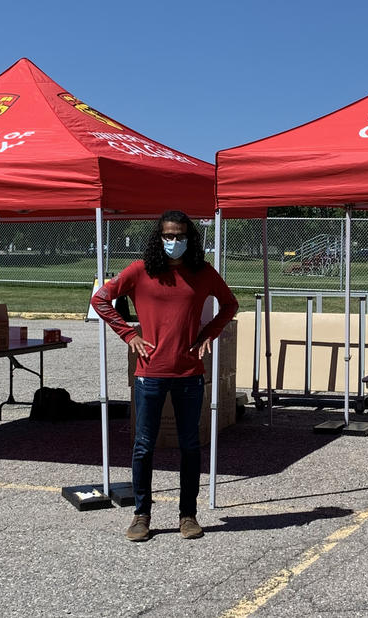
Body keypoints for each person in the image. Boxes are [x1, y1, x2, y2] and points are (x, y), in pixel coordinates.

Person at [91, 210, 238, 542]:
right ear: (159, 238)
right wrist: (129, 335)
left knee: (189, 445)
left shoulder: (201, 273)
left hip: (189, 373)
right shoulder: (140, 271)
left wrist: (208, 336)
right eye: (168, 236)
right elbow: (101, 299)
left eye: (181, 236)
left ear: (190, 238)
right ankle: (141, 515)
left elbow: (229, 304)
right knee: (143, 445)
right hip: (150, 374)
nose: (174, 242)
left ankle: (188, 515)